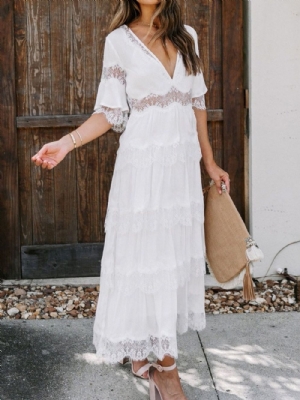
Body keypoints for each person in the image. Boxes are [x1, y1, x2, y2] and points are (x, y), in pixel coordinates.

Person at [32, 0, 230, 398]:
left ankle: (147, 349)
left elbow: (197, 104)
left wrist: (209, 162)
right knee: (145, 257)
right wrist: (67, 143)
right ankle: (166, 370)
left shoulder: (186, 36)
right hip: (142, 168)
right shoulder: (118, 42)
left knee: (169, 258)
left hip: (180, 168)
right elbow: (109, 113)